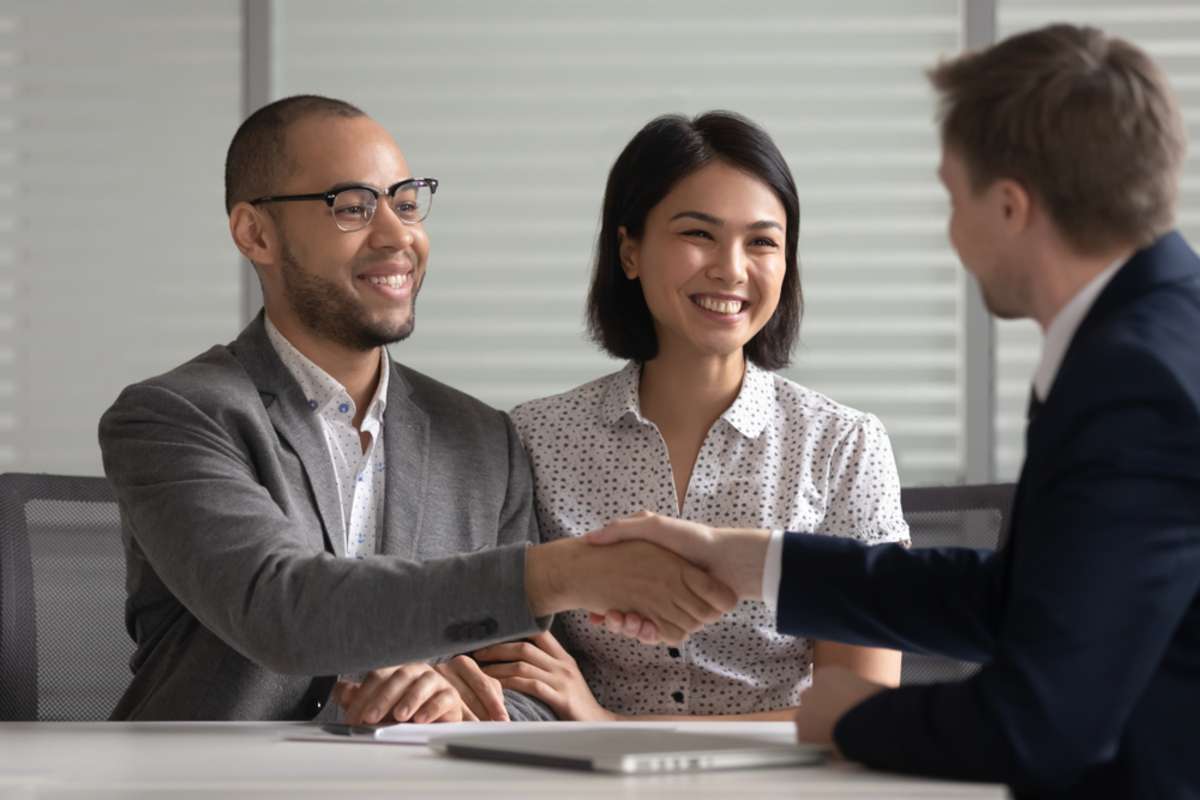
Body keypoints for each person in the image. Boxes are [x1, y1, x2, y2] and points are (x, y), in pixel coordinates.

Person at [587, 24, 1200, 799]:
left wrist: (852, 718)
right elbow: (1033, 598)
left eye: (952, 196)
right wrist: (751, 562)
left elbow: (1039, 725)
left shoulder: (1136, 380)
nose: (951, 232)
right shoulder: (1154, 340)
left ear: (1010, 207)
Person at [98, 94, 736, 722]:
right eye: (352, 206)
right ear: (255, 233)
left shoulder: (483, 439)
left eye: (406, 203)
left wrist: (461, 703)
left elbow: (537, 688)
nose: (397, 233)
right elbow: (283, 609)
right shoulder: (173, 418)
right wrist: (560, 573)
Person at [452, 112, 908, 723]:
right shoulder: (534, 438)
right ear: (630, 251)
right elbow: (503, 659)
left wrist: (616, 730)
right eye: (699, 234)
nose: (731, 268)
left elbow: (861, 707)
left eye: (763, 241)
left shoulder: (845, 445)